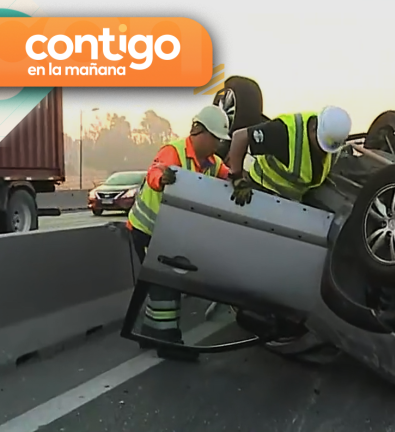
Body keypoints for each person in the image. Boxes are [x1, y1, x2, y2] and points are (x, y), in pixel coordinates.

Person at [126, 105, 234, 362]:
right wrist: (162, 179)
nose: (218, 144)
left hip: (168, 232)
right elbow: (155, 172)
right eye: (216, 138)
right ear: (201, 133)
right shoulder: (173, 151)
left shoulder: (212, 163)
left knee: (160, 285)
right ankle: (168, 341)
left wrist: (239, 180)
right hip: (147, 230)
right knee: (166, 285)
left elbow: (227, 175)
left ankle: (150, 333)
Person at [225, 107, 352, 204]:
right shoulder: (283, 132)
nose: (322, 151)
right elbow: (240, 137)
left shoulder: (333, 143)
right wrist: (237, 178)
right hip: (260, 190)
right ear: (314, 128)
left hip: (291, 201)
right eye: (320, 144)